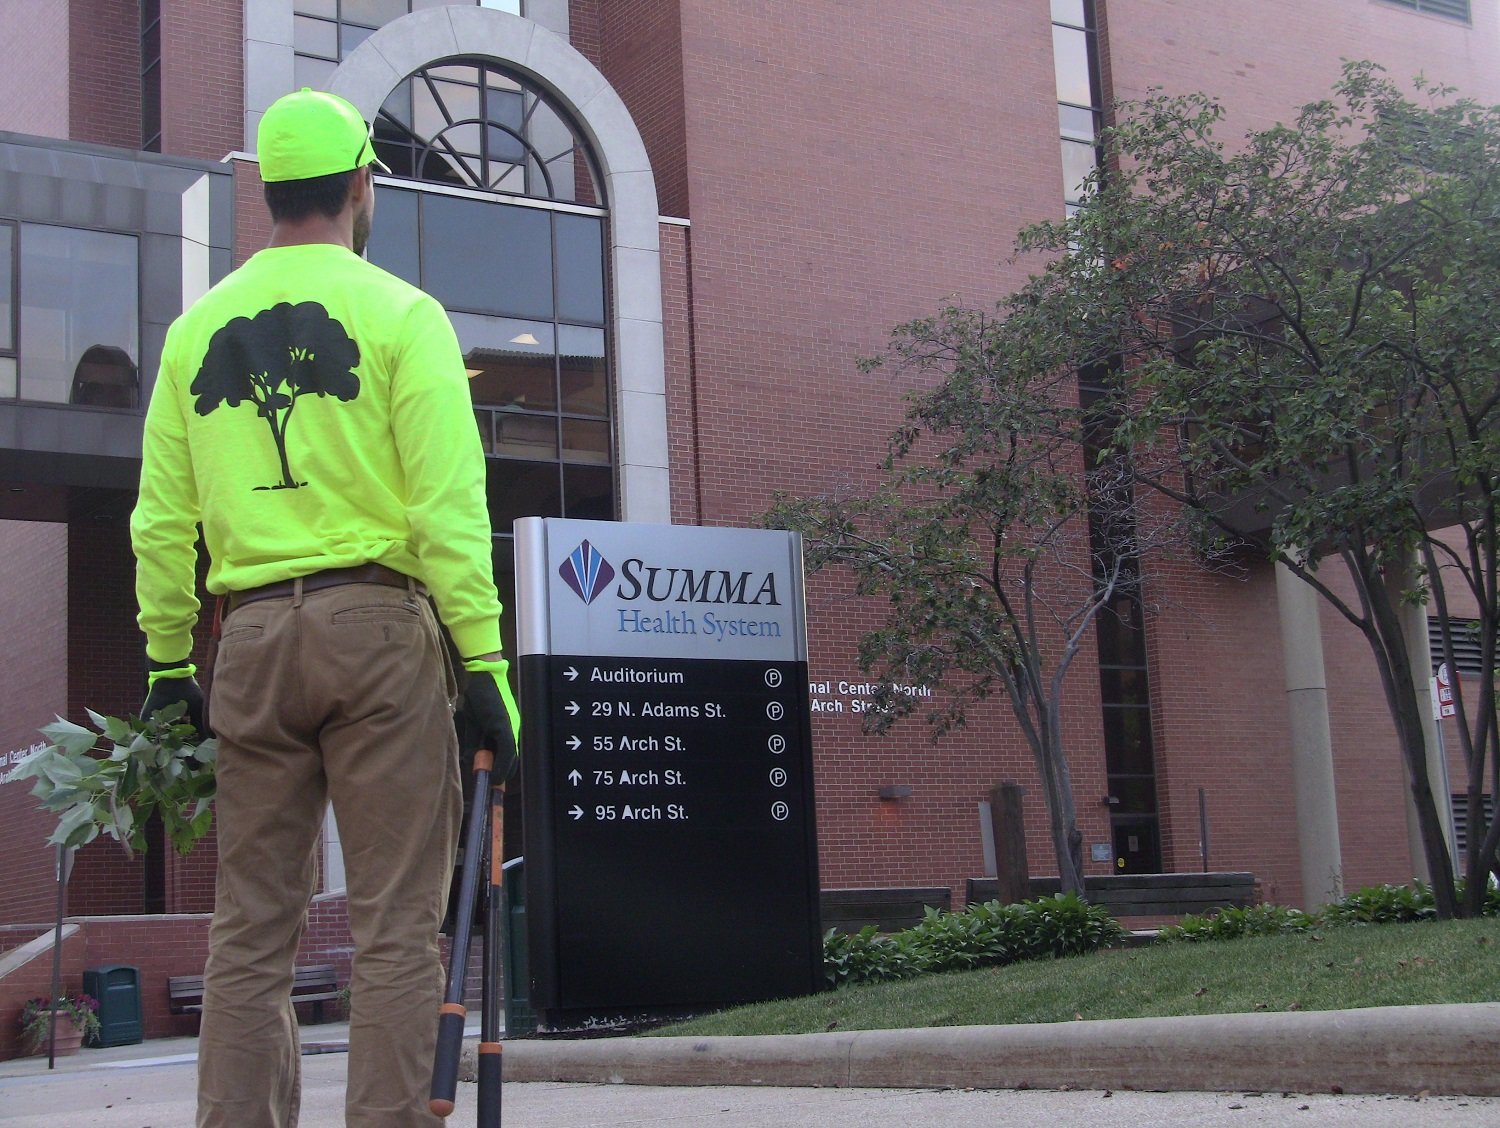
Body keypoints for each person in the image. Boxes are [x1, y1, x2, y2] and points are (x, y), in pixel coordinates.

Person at [130, 88, 519, 1128]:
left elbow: (161, 522)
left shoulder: (193, 331)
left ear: (266, 190)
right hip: (378, 630)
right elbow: (448, 509)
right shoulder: (403, 315)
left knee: (249, 928)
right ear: (361, 185)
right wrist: (483, 663)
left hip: (249, 639)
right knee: (395, 924)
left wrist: (171, 666)